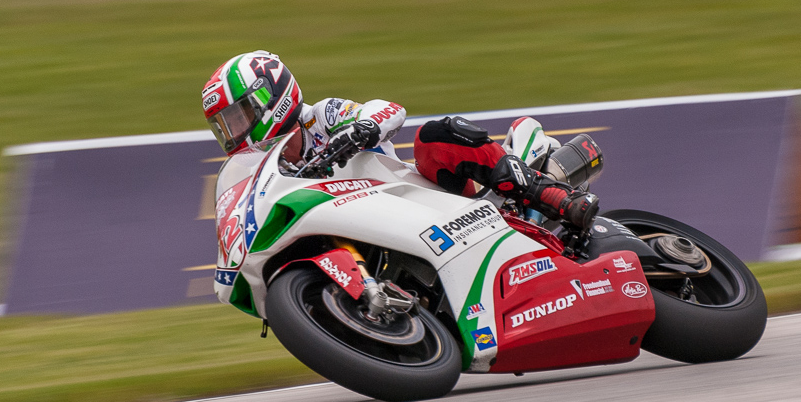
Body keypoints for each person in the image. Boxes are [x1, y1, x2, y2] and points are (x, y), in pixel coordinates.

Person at [202, 50, 598, 230]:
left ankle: (554, 198)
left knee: (432, 139)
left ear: (270, 94)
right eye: (225, 125)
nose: (234, 132)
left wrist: (360, 128)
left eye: (238, 117)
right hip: (384, 228)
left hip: (430, 199)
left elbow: (388, 109)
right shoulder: (274, 174)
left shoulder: (321, 116)